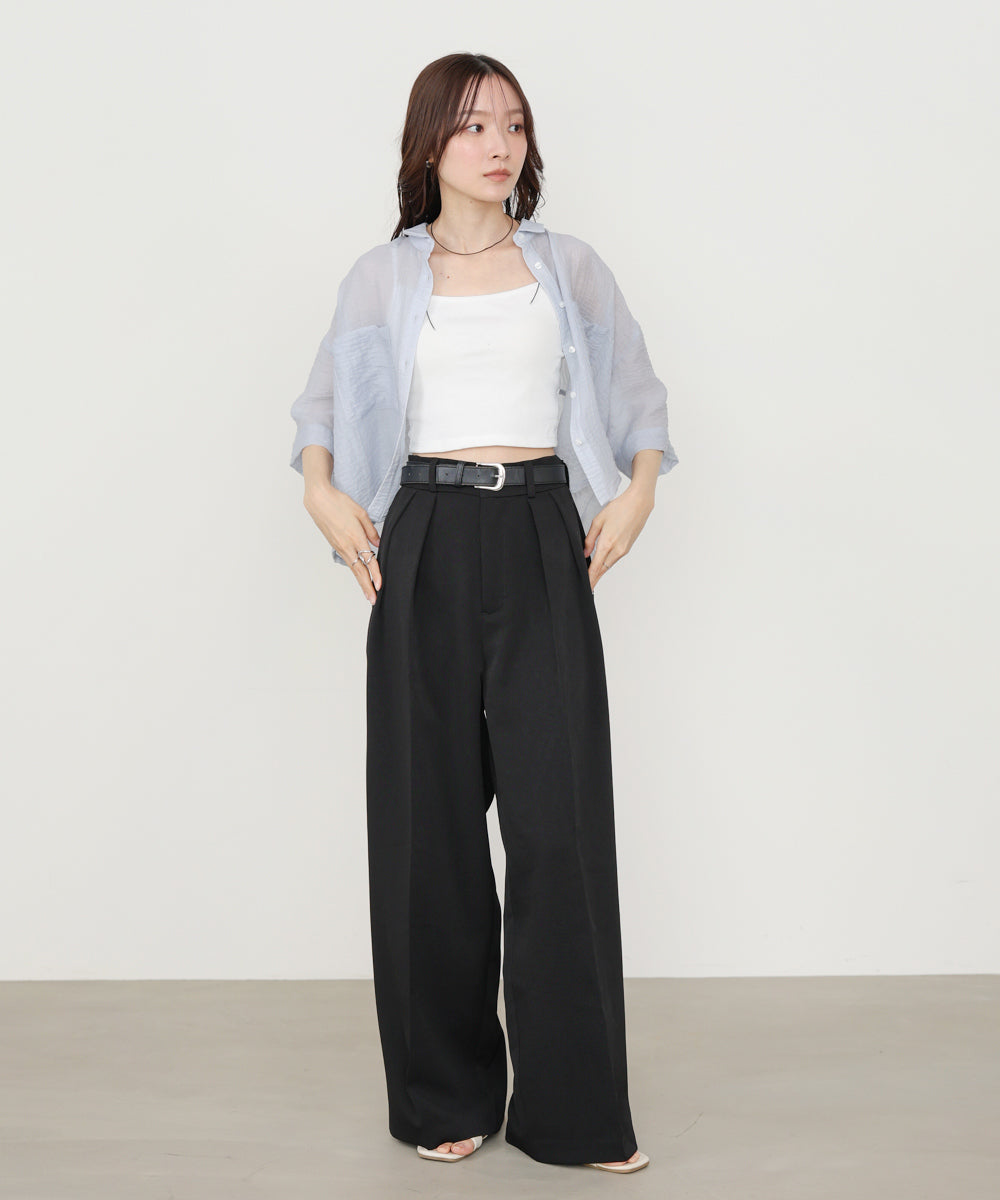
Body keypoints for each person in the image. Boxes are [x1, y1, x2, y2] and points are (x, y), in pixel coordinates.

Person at [288, 52, 678, 1174]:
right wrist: (322, 493)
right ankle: (443, 1095)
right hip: (422, 532)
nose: (497, 145)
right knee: (429, 826)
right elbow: (321, 409)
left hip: (544, 531)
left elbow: (638, 396)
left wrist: (638, 491)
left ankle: (576, 1112)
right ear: (429, 145)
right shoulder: (382, 277)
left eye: (512, 124)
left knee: (562, 829)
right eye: (471, 127)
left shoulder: (568, 268)